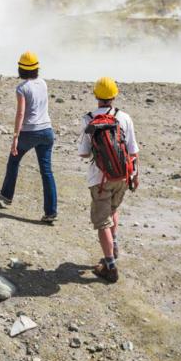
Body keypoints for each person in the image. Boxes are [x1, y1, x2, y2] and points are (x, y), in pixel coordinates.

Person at [76, 76, 138, 283]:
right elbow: (133, 151)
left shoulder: (88, 119)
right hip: (122, 175)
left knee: (102, 222)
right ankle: (115, 244)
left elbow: (83, 153)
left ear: (96, 95)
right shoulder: (124, 118)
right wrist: (134, 176)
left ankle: (109, 265)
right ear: (114, 96)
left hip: (99, 178)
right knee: (113, 211)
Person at [0, 51, 57, 222]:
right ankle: (51, 211)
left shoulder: (21, 88)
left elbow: (21, 113)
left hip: (29, 132)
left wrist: (15, 136)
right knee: (47, 171)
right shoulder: (43, 83)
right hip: (47, 131)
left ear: (20, 69)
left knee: (14, 161)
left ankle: (7, 195)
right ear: (36, 68)